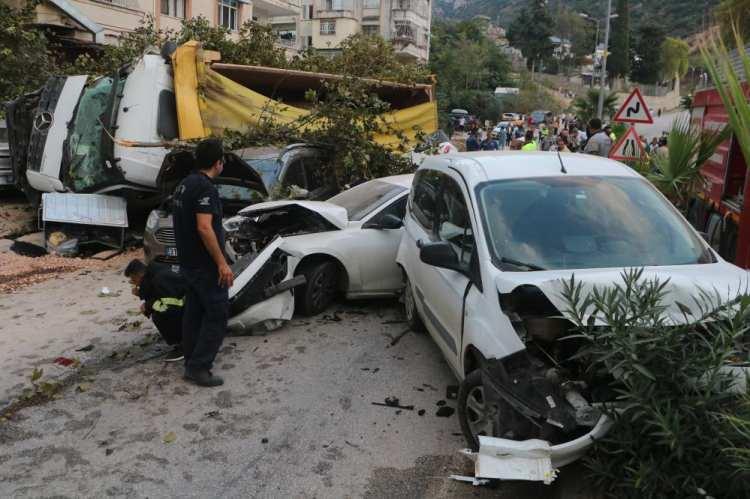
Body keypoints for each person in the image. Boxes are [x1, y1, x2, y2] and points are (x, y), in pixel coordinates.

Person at [173, 138, 234, 387]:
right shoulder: (205, 188)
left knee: (194, 313)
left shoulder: (184, 184)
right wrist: (222, 263)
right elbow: (204, 228)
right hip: (204, 266)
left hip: (188, 263)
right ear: (218, 163)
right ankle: (199, 368)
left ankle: (191, 358)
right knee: (217, 314)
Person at [124, 259, 187, 361]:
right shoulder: (155, 272)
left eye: (133, 280)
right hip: (186, 304)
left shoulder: (159, 280)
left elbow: (169, 308)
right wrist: (141, 294)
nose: (134, 284)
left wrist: (148, 306)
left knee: (158, 316)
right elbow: (158, 294)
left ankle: (184, 345)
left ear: (138, 276)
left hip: (188, 308)